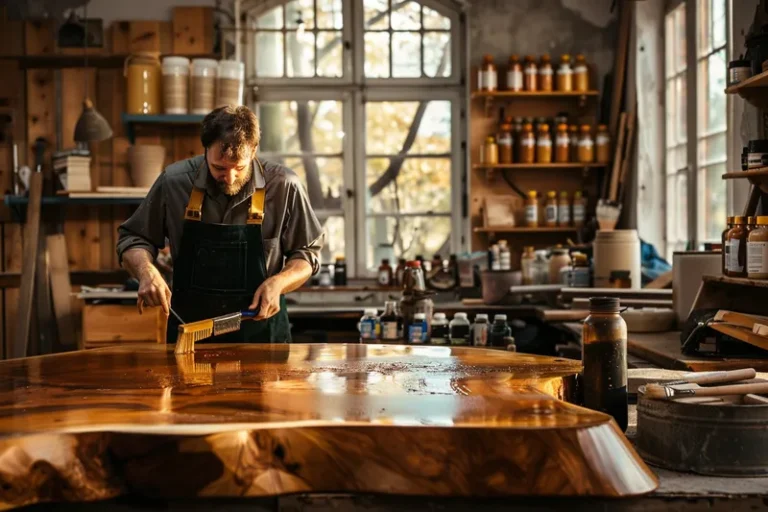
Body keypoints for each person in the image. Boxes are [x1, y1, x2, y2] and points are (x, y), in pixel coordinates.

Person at [116, 105, 325, 343]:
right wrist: (146, 271)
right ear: (205, 149)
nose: (230, 178)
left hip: (262, 337)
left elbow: (307, 254)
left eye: (239, 167)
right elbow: (132, 238)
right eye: (219, 168)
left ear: (254, 150)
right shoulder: (175, 182)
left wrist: (279, 282)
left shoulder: (284, 186)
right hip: (191, 337)